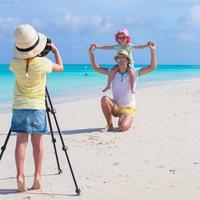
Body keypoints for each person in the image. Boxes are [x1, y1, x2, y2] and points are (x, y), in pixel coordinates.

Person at [9, 24, 64, 192]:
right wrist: (55, 51)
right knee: (38, 143)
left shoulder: (14, 63)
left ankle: (20, 175)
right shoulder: (44, 63)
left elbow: (23, 63)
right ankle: (37, 176)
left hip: (19, 107)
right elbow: (60, 68)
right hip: (37, 107)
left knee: (21, 142)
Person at [89, 42, 156, 132]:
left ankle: (125, 118)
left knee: (123, 127)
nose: (121, 61)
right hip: (116, 106)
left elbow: (152, 67)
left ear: (128, 61)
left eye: (124, 59)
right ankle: (109, 125)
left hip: (128, 108)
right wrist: (91, 53)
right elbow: (96, 68)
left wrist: (152, 51)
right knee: (104, 99)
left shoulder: (135, 72)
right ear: (116, 61)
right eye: (119, 59)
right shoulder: (112, 72)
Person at [93, 28, 149, 93]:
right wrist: (97, 46)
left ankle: (132, 87)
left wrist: (147, 45)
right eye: (120, 38)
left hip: (129, 63)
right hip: (119, 63)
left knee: (131, 72)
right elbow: (106, 47)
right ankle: (108, 85)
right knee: (112, 71)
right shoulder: (117, 46)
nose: (121, 39)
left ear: (127, 38)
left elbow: (139, 47)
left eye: (123, 37)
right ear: (117, 39)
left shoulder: (129, 45)